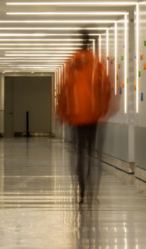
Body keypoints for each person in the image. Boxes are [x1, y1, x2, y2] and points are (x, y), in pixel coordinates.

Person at [56, 31, 114, 204]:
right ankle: (91, 190)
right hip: (93, 117)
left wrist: (63, 113)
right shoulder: (97, 63)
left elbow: (63, 90)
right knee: (91, 153)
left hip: (75, 117)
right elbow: (105, 87)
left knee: (79, 153)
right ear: (90, 44)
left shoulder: (71, 63)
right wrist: (103, 110)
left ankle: (80, 188)